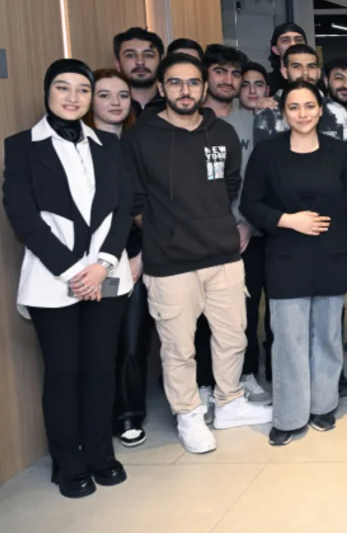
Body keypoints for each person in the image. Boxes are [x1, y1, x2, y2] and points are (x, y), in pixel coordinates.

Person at [122, 53, 274, 454]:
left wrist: (214, 225)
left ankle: (229, 402)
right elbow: (133, 199)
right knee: (179, 348)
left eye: (192, 82)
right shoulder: (140, 137)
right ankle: (188, 414)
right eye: (175, 82)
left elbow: (229, 186)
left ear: (203, 88)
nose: (185, 90)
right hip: (170, 262)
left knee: (233, 336)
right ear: (161, 87)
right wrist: (164, 231)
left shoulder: (221, 133)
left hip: (222, 255)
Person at [4, 59, 135, 498]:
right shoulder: (23, 146)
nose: (73, 97)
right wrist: (75, 270)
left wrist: (101, 264)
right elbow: (23, 217)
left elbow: (122, 209)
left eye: (82, 89)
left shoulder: (108, 145)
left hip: (107, 274)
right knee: (63, 372)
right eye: (63, 87)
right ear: (47, 92)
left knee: (100, 368)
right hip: (53, 277)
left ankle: (100, 455)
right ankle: (68, 463)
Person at [241, 81, 347, 446]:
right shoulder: (267, 153)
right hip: (286, 258)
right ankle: (289, 416)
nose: (302, 114)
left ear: (320, 110)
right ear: (284, 113)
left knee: (327, 336)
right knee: (289, 341)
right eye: (294, 107)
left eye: (309, 106)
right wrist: (288, 220)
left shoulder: (338, 152)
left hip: (333, 256)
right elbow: (251, 204)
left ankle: (323, 406)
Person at [84, 70, 151, 448]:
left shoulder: (139, 146)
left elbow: (156, 206)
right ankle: (94, 420)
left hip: (137, 256)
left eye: (122, 95)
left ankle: (128, 415)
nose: (115, 102)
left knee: (131, 340)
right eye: (104, 94)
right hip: (91, 262)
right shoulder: (77, 147)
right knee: (97, 343)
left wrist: (141, 257)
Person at [202, 45, 269, 403]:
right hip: (203, 235)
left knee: (247, 308)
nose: (228, 80)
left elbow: (262, 179)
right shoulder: (193, 121)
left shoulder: (255, 120)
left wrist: (245, 223)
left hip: (248, 233)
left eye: (235, 74)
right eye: (220, 72)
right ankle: (205, 382)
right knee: (204, 313)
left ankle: (247, 373)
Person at [254, 44, 347, 153]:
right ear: (284, 72)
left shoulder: (337, 112)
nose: (305, 73)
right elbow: (262, 159)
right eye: (297, 66)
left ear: (318, 72)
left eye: (311, 66)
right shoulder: (267, 113)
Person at [113, 27, 164, 115]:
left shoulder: (174, 104)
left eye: (148, 55)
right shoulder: (108, 106)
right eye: (131, 55)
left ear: (161, 62)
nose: (140, 62)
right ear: (118, 64)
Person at [266, 22, 308, 93]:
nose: (293, 44)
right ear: (275, 50)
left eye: (298, 40)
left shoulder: (314, 80)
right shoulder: (267, 82)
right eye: (285, 40)